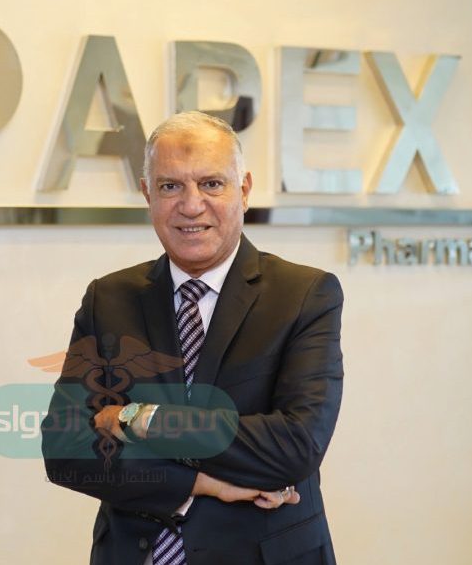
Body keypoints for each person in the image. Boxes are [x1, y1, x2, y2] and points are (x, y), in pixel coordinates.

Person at [42, 111, 343, 564]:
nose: (191, 205)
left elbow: (296, 446)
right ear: (148, 194)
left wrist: (138, 419)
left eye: (211, 184)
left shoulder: (304, 295)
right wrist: (201, 483)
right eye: (170, 186)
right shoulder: (109, 298)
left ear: (244, 189)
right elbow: (65, 448)